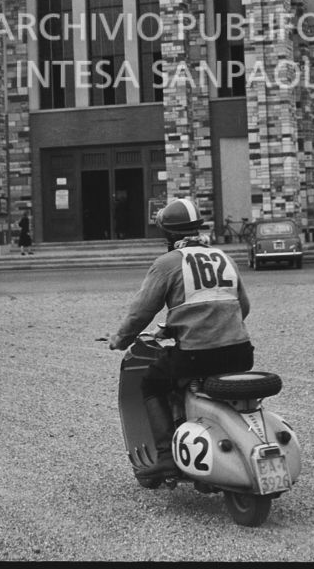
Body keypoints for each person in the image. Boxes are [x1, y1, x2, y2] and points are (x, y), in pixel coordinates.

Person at [108, 197, 253, 478]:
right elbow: (242, 306)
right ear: (196, 228)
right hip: (241, 351)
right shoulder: (224, 257)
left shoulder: (167, 263)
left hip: (197, 355)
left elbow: (141, 313)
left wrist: (121, 339)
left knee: (152, 384)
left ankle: (165, 456)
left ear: (169, 233)